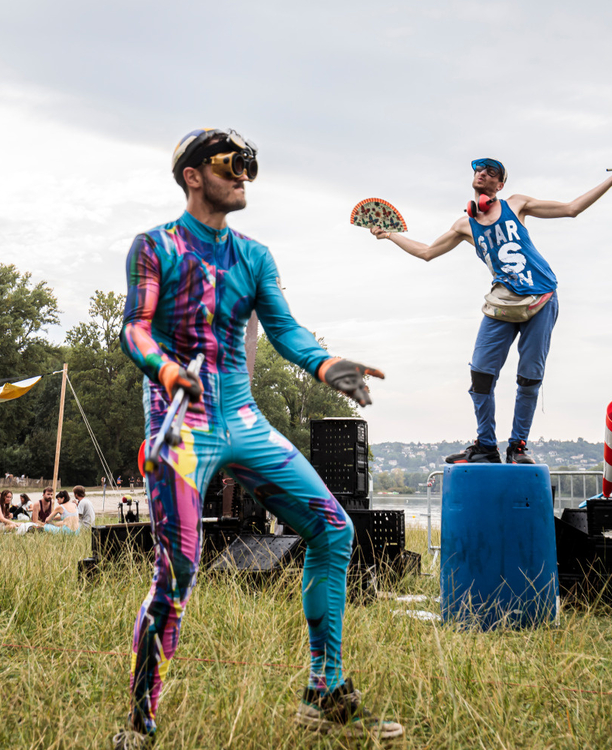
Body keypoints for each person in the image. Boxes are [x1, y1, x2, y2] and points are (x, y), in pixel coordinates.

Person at [111, 128, 396, 749]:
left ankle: (324, 693)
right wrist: (165, 369)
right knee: (179, 565)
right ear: (193, 175)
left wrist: (328, 367)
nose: (245, 176)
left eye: (250, 166)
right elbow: (134, 328)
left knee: (333, 528)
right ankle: (139, 720)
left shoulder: (255, 256)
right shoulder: (154, 246)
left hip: (242, 420)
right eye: (232, 165)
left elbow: (287, 331)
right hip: (180, 425)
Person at [370, 156, 612, 464]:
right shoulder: (464, 225)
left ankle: (518, 446)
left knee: (529, 376)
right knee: (480, 373)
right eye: (478, 170)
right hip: (502, 302)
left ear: (500, 184)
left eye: (491, 172)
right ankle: (486, 445)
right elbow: (428, 252)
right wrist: (390, 235)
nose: (482, 173)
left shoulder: (517, 204)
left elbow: (571, 209)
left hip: (541, 297)